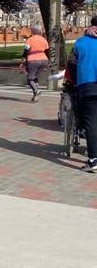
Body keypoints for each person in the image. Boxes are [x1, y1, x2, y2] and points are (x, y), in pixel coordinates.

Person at [67, 16, 97, 172]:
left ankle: (93, 160)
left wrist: (74, 82)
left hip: (87, 86)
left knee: (91, 123)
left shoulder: (80, 43)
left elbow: (71, 65)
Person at [22, 26, 50, 102]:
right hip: (44, 60)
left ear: (33, 32)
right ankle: (35, 95)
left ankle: (36, 90)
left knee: (30, 78)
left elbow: (26, 50)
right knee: (35, 77)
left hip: (33, 60)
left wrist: (23, 59)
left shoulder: (30, 39)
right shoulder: (44, 40)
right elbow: (47, 50)